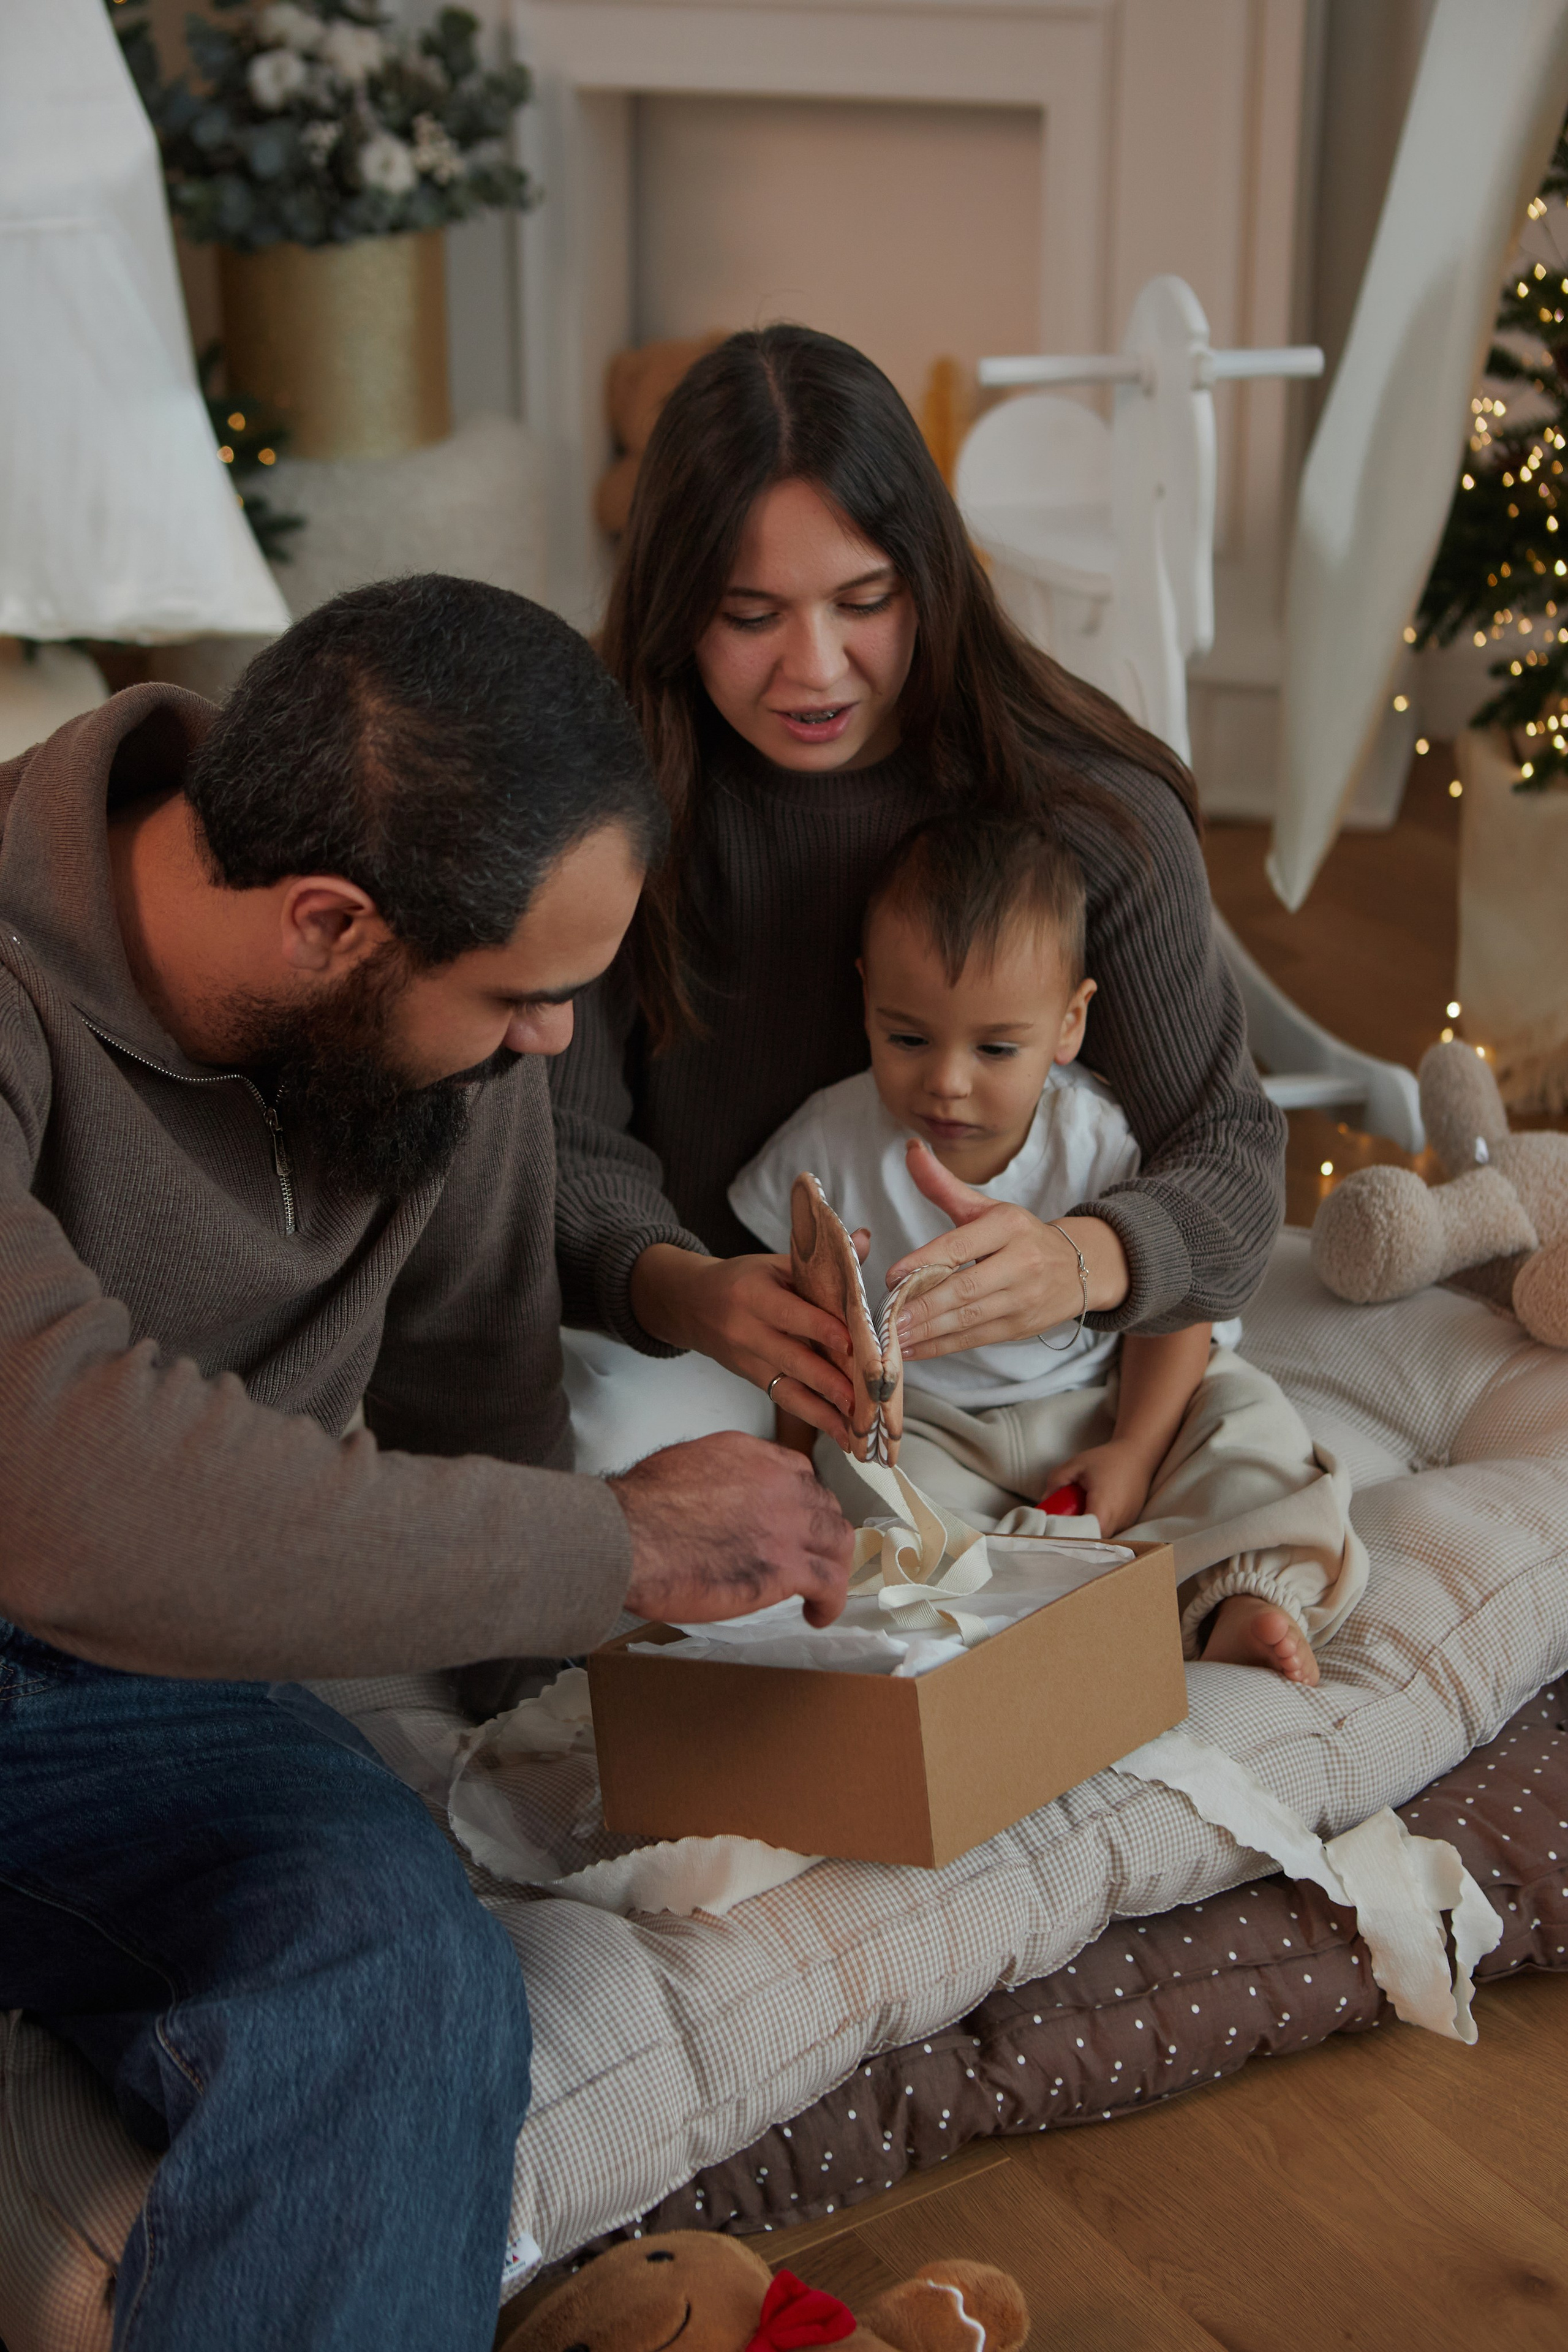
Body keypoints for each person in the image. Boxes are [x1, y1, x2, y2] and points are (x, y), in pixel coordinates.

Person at [0, 575, 852, 2352]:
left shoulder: (437, 1045)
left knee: (405, 1973)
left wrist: (582, 1727)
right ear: (329, 923)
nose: (552, 1044)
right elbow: (71, 1495)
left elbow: (480, 1376)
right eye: (522, 1001)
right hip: (66, 1566)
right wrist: (608, 1542)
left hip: (144, 1696)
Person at [551, 323, 1289, 1460]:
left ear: (933, 578)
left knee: (1214, 1436)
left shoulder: (1097, 810)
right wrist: (680, 1290)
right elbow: (555, 1152)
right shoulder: (601, 807)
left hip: (1046, 1351)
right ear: (671, 607)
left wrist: (1082, 1262)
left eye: (866, 600)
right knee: (598, 1448)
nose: (815, 667)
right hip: (712, 1347)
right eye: (751, 617)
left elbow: (1227, 1151)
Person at [728, 813, 1368, 1681]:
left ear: (1068, 1025)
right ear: (866, 995)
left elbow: (1179, 1310)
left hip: (1107, 1396)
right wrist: (794, 1468)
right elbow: (792, 1328)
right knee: (870, 1509)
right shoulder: (824, 1145)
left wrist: (1137, 1453)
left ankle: (1237, 1597)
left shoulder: (1100, 1141)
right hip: (936, 1429)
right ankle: (1062, 1601)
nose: (947, 1081)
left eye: (997, 1047)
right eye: (907, 1037)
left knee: (1256, 1436)